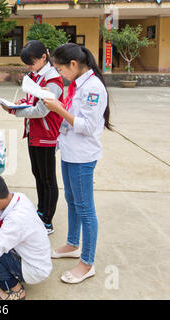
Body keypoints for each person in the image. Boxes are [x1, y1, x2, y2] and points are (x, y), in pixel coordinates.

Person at [43, 43, 113, 284]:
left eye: (61, 69)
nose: (59, 74)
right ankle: (73, 243)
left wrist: (59, 109)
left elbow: (89, 127)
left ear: (73, 64)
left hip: (83, 157)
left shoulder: (93, 88)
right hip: (70, 153)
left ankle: (87, 261)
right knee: (71, 200)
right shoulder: (77, 84)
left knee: (85, 208)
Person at [1, 40, 64, 235]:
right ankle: (41, 211)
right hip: (34, 132)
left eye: (32, 62)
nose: (29, 67)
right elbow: (32, 101)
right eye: (27, 64)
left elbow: (42, 110)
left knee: (48, 178)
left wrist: (14, 111)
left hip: (46, 133)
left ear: (44, 57)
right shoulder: (34, 76)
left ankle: (48, 220)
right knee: (38, 175)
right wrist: (21, 103)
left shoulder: (53, 81)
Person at [0, 172, 52, 300]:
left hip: (33, 270)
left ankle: (14, 289)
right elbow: (1, 209)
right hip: (33, 256)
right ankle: (3, 270)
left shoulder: (16, 221)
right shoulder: (19, 197)